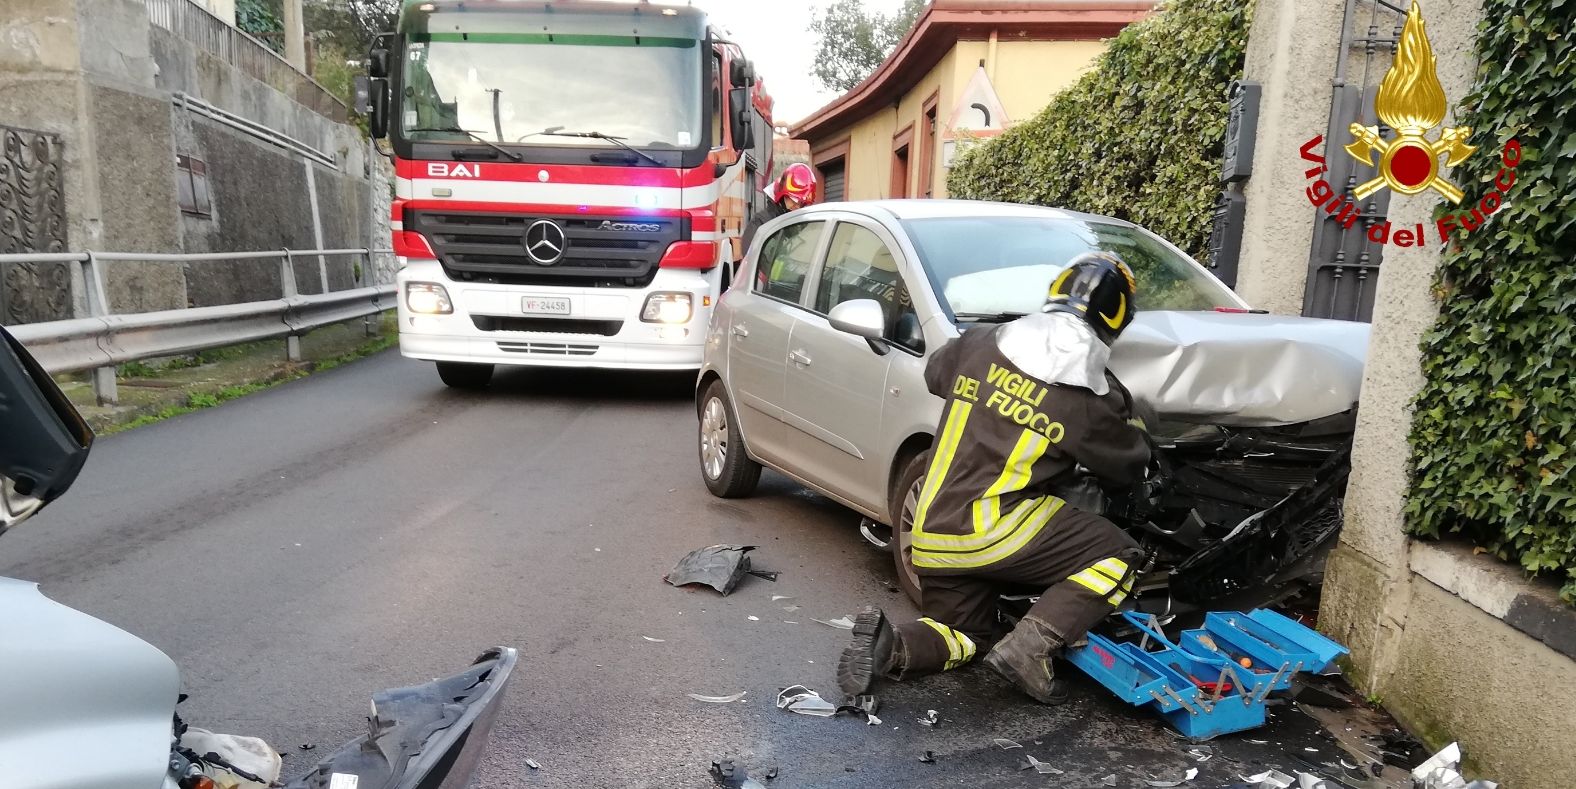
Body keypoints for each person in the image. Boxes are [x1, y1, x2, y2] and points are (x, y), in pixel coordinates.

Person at [836, 252, 1153, 705]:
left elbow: (936, 374)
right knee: (1120, 553)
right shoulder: (1088, 395)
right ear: (1116, 320)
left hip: (929, 528)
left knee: (965, 635)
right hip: (994, 532)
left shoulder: (981, 341)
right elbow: (1127, 465)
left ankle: (891, 645)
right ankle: (1031, 648)